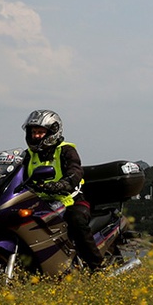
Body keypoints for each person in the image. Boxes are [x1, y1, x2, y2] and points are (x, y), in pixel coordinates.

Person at [21, 110, 104, 271]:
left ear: (52, 132)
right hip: (41, 202)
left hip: (71, 200)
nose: (36, 136)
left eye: (40, 132)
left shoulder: (66, 150)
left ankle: (97, 268)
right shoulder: (28, 155)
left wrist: (63, 184)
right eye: (33, 132)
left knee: (76, 221)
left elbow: (75, 171)